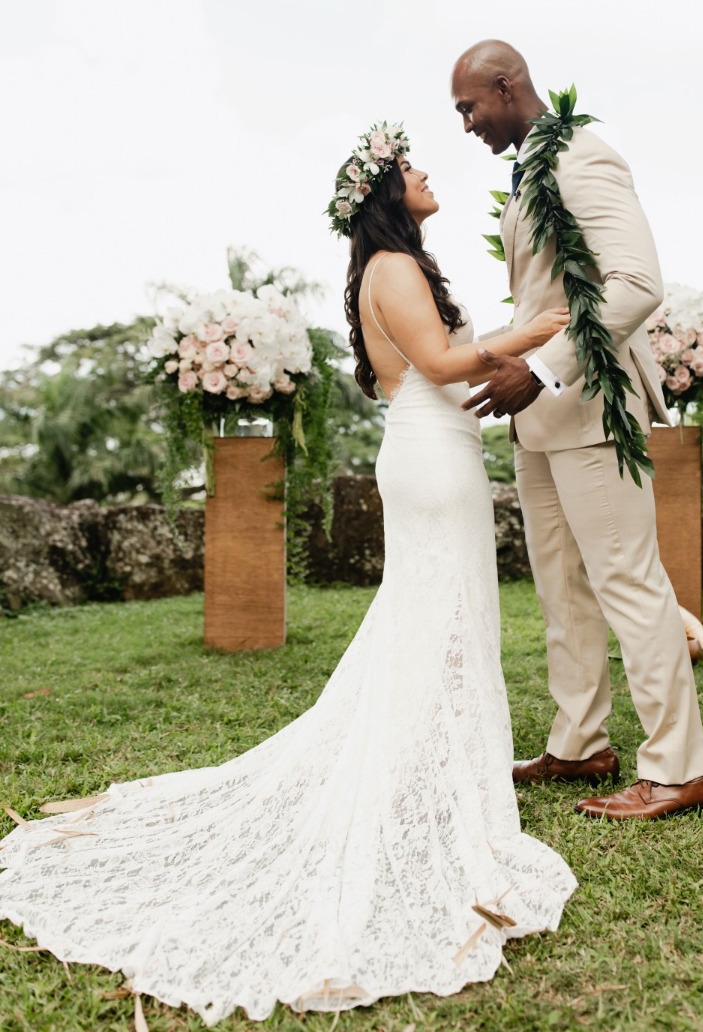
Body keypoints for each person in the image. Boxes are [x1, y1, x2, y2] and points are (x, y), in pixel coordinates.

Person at [0, 122, 576, 1025]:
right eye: (412, 164)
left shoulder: (398, 266)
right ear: (389, 189)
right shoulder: (394, 267)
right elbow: (441, 363)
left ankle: (431, 773)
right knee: (442, 616)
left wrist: (522, 332)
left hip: (436, 450)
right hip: (433, 461)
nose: (428, 171)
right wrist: (546, 325)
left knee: (436, 617)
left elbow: (452, 355)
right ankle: (425, 784)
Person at [450, 41, 703, 821]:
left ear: (507, 86)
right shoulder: (528, 168)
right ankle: (579, 744)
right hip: (538, 418)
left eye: (470, 106)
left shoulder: (581, 156)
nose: (467, 125)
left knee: (629, 582)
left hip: (589, 406)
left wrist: (542, 370)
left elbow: (637, 283)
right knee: (561, 589)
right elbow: (547, 297)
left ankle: (677, 768)